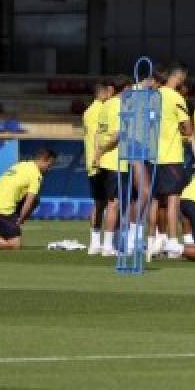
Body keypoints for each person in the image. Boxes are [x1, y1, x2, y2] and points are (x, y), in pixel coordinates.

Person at [149, 63, 193, 260]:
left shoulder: (152, 96)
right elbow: (187, 127)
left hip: (151, 154)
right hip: (170, 155)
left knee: (155, 199)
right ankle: (173, 240)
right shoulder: (176, 97)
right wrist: (186, 133)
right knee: (174, 198)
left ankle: (153, 239)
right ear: (179, 78)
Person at [91, 75, 132, 257]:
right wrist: (102, 150)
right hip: (116, 160)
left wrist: (98, 152)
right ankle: (108, 246)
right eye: (130, 90)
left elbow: (99, 133)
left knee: (109, 203)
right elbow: (117, 134)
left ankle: (108, 243)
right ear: (124, 89)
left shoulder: (105, 105)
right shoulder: (117, 105)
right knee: (114, 204)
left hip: (106, 161)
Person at [81, 80, 111, 255]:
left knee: (99, 203)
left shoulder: (88, 112)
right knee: (111, 203)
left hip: (92, 162)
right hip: (102, 161)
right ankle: (107, 243)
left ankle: (94, 242)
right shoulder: (102, 110)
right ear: (102, 93)